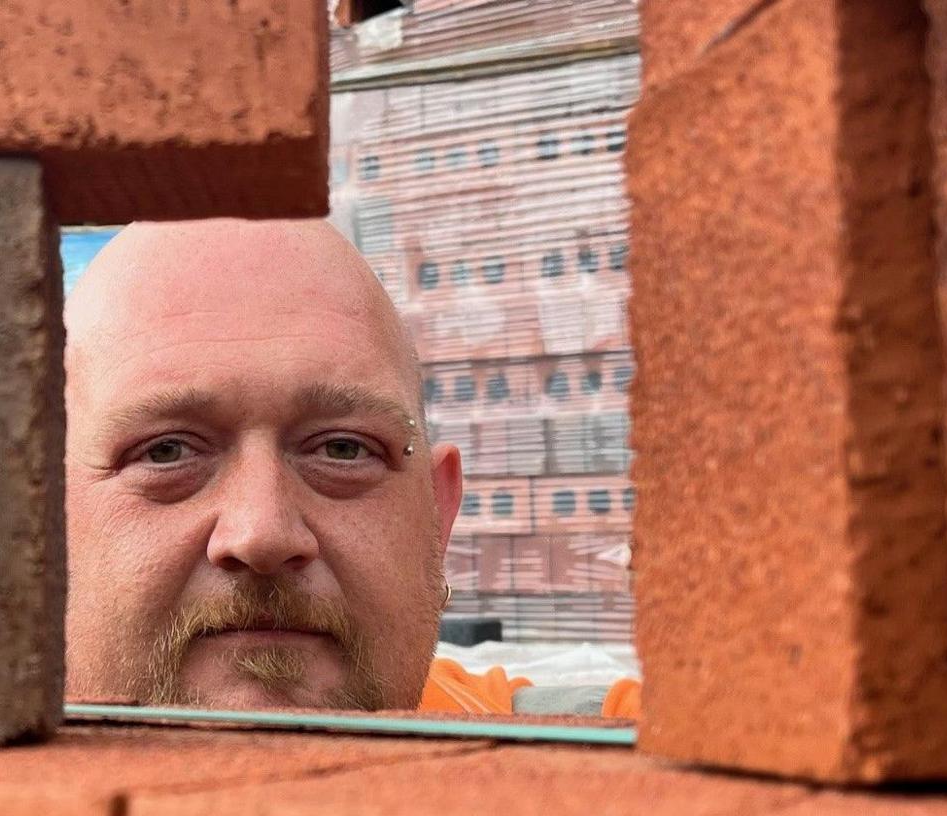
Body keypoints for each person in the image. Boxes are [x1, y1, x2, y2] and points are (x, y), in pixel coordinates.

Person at [63, 218, 639, 718]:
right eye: (165, 452)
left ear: (437, 514)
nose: (263, 533)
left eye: (343, 449)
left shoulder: (604, 749)